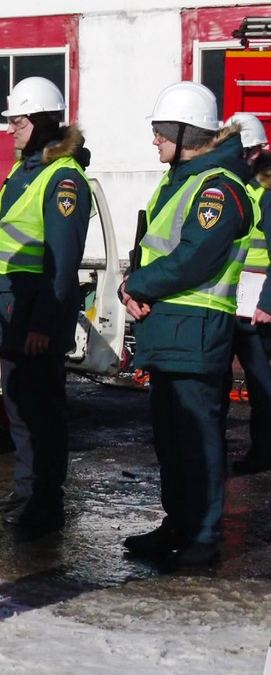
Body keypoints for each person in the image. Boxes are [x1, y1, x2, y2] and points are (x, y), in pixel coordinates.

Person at [121, 83, 254, 569]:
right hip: (172, 332)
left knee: (198, 440)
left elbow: (195, 257)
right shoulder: (184, 178)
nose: (154, 140)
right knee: (173, 441)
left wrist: (138, 284)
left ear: (186, 131)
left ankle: (202, 536)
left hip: (195, 333)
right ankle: (178, 523)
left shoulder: (218, 186)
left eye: (160, 132)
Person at [0, 76, 92, 540]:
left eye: (17, 119)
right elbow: (0, 226)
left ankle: (47, 502)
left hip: (36, 312)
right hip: (13, 308)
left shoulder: (64, 178)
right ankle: (26, 487)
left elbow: (63, 261)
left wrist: (43, 324)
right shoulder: (24, 171)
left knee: (44, 411)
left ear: (39, 122)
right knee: (18, 406)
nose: (10, 128)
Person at [226, 113, 271, 476]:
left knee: (260, 384)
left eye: (245, 153)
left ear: (259, 151)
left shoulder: (267, 191)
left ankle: (263, 453)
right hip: (227, 299)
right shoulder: (230, 185)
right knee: (216, 381)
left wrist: (268, 303)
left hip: (257, 304)